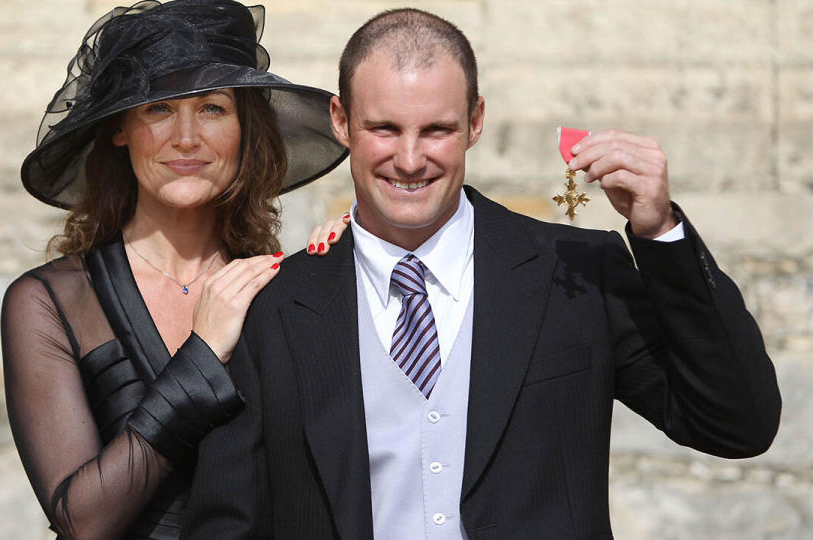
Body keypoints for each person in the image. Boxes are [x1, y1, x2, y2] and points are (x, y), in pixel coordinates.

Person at [183, 7, 782, 539]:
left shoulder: (577, 272)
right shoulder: (272, 306)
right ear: (341, 121)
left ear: (475, 121)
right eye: (385, 128)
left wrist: (661, 235)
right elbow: (227, 523)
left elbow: (737, 426)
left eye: (437, 129)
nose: (411, 159)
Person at [1, 0, 348, 538]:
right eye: (158, 108)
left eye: (212, 107)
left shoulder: (277, 288)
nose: (186, 137)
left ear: (244, 129)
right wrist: (204, 355)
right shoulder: (49, 302)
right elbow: (82, 521)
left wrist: (350, 269)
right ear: (121, 130)